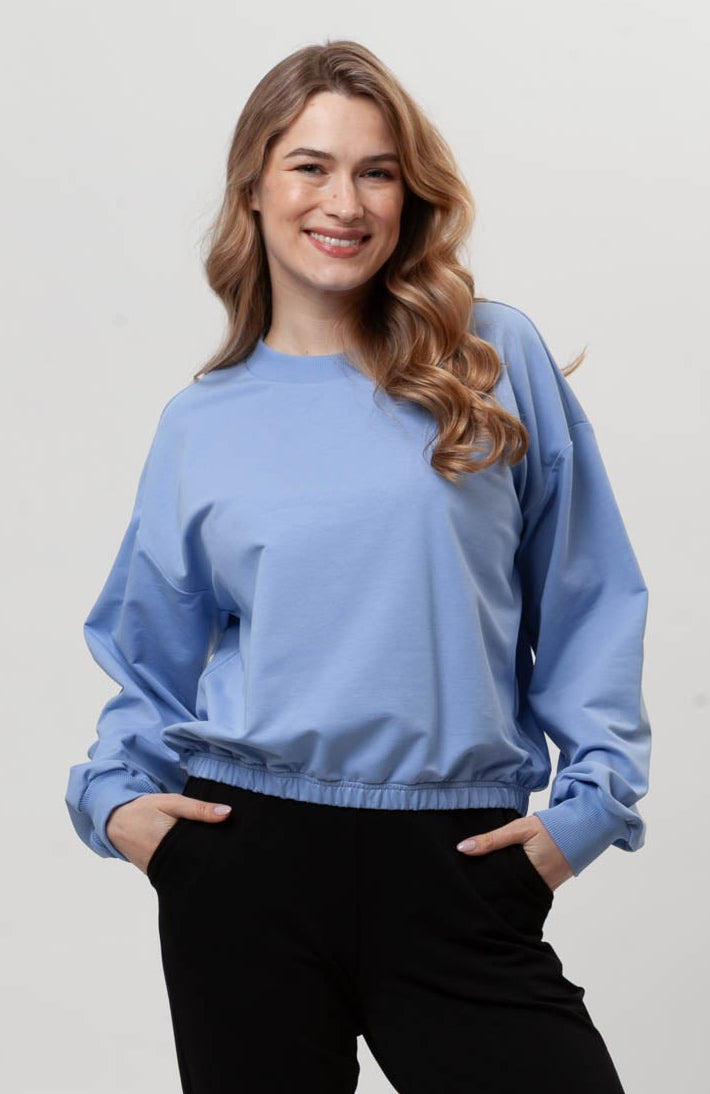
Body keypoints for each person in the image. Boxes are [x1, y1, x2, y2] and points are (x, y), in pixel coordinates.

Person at [65, 39, 651, 1094]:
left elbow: (588, 592)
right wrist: (117, 803)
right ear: (253, 187)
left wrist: (588, 807)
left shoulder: (488, 359)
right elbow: (147, 654)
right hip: (247, 864)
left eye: (377, 171)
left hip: (460, 863)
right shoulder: (202, 423)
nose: (345, 201)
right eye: (311, 166)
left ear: (408, 194)